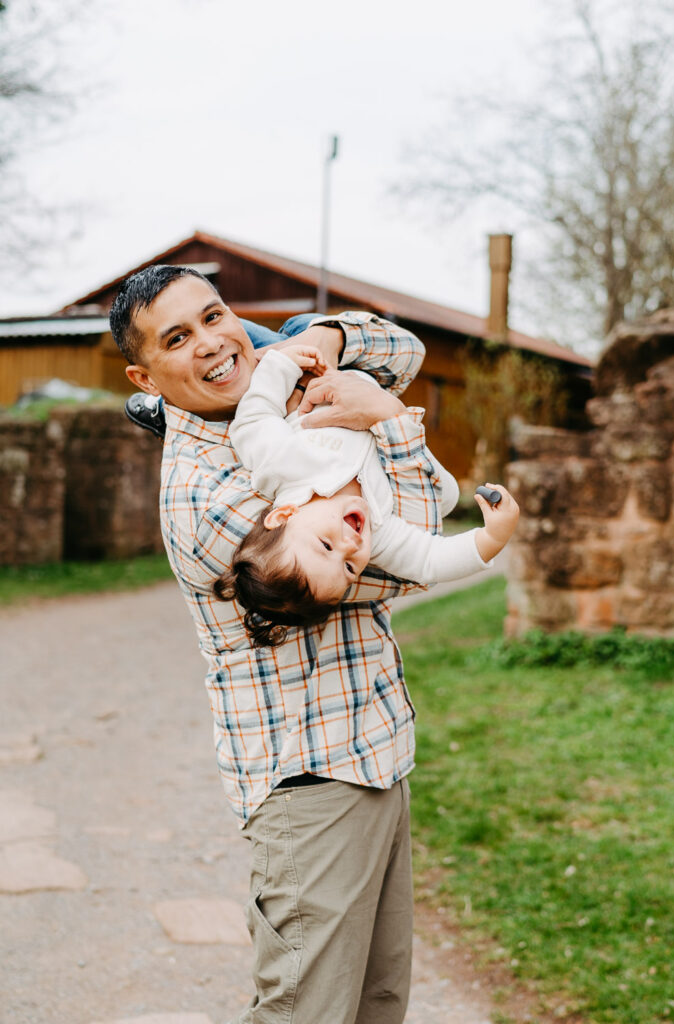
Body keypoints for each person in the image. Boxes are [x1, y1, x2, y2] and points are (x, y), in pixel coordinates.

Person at [109, 263, 518, 1024]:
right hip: (310, 783)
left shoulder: (278, 414)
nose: (210, 342)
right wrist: (380, 414)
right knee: (307, 1012)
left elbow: (401, 346)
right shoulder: (207, 495)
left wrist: (321, 337)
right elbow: (409, 548)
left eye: (214, 315)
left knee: (374, 1004)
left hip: (375, 757)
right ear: (145, 372)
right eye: (177, 338)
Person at [217, 343, 517, 646]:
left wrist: (281, 364)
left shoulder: (280, 465)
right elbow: (431, 561)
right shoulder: (380, 532)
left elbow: (253, 420)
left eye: (326, 545)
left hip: (320, 366)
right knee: (447, 495)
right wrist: (493, 538)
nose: (351, 546)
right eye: (349, 568)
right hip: (377, 391)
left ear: (283, 515)